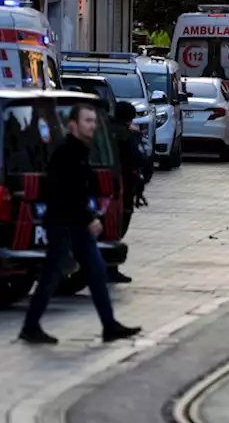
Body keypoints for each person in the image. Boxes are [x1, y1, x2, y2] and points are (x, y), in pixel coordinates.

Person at [19, 103, 141, 345]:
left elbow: (79, 189)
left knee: (95, 273)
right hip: (63, 224)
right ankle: (30, 327)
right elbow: (65, 192)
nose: (92, 125)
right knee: (51, 276)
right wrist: (89, 219)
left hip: (75, 224)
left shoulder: (81, 150)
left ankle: (109, 326)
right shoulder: (66, 152)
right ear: (73, 124)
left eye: (94, 121)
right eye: (88, 120)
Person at [106, 102, 147, 285]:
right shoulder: (128, 136)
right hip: (123, 189)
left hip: (103, 187)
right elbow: (139, 160)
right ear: (130, 117)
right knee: (118, 228)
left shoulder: (103, 132)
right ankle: (110, 268)